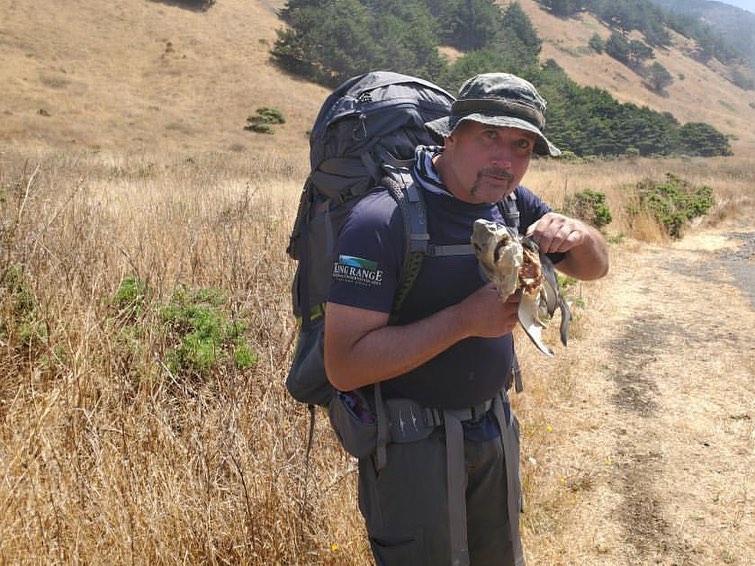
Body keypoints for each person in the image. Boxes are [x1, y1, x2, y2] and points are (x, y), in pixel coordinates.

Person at [323, 73, 609, 566]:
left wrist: (579, 234)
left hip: (493, 428)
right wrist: (463, 321)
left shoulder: (512, 203)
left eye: (522, 145)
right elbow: (344, 366)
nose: (505, 159)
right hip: (410, 446)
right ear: (451, 135)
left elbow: (595, 268)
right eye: (489, 135)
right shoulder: (381, 220)